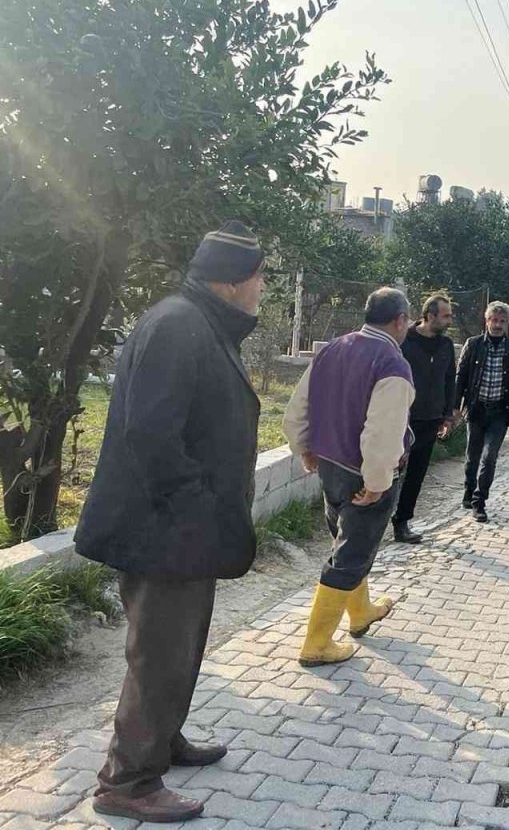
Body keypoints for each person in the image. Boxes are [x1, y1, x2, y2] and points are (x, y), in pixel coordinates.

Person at [74, 221, 267, 823]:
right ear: (233, 282)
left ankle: (162, 740)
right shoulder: (179, 325)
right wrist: (197, 508)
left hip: (185, 528)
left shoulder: (200, 322)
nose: (263, 287)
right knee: (158, 655)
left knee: (179, 649)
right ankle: (127, 782)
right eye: (260, 277)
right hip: (165, 529)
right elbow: (151, 434)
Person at [283, 288, 415, 667]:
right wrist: (377, 482)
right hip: (362, 473)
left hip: (329, 465)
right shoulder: (392, 363)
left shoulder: (333, 348)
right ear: (400, 320)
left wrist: (303, 447)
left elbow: (298, 408)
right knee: (351, 553)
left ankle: (361, 612)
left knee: (347, 543)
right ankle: (317, 643)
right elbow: (383, 432)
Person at [391, 293, 458, 543]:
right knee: (391, 469)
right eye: (446, 315)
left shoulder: (446, 345)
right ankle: (373, 519)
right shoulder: (404, 340)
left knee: (417, 473)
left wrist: (447, 416)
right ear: (430, 316)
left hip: (431, 418)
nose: (450, 320)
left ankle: (402, 521)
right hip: (402, 417)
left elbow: (450, 379)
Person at [455, 301, 509, 523]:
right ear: (486, 321)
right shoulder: (474, 344)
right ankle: (469, 490)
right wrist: (454, 406)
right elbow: (461, 376)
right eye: (494, 320)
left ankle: (480, 501)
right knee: (472, 457)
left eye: (502, 321)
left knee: (490, 457)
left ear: (507, 323)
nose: (497, 325)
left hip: (500, 411)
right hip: (476, 410)